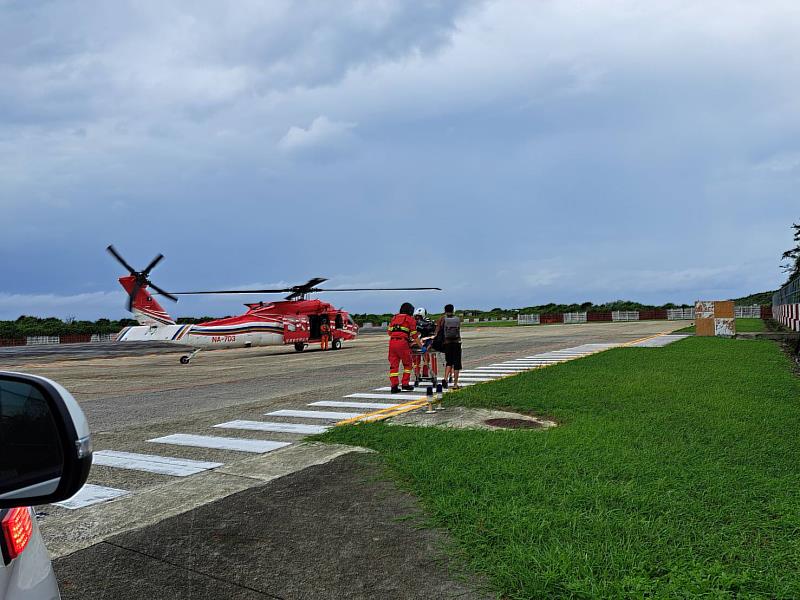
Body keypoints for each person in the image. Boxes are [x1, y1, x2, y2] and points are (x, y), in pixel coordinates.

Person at [387, 302, 423, 393]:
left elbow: (389, 332)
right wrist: (421, 346)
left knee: (393, 366)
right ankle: (405, 384)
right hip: (402, 343)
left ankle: (394, 386)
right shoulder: (410, 319)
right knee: (408, 364)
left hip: (392, 342)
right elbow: (415, 336)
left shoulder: (394, 318)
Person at [435, 304, 462, 389]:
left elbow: (437, 331)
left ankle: (445, 379)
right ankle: (455, 384)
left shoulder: (442, 319)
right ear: (453, 310)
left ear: (445, 310)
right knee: (457, 364)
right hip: (456, 342)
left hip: (447, 343)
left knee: (449, 362)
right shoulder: (457, 319)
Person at [412, 307, 438, 385]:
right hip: (421, 343)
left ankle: (421, 374)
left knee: (420, 359)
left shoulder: (416, 322)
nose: (417, 318)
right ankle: (421, 374)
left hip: (419, 343)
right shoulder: (428, 322)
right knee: (421, 359)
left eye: (418, 316)